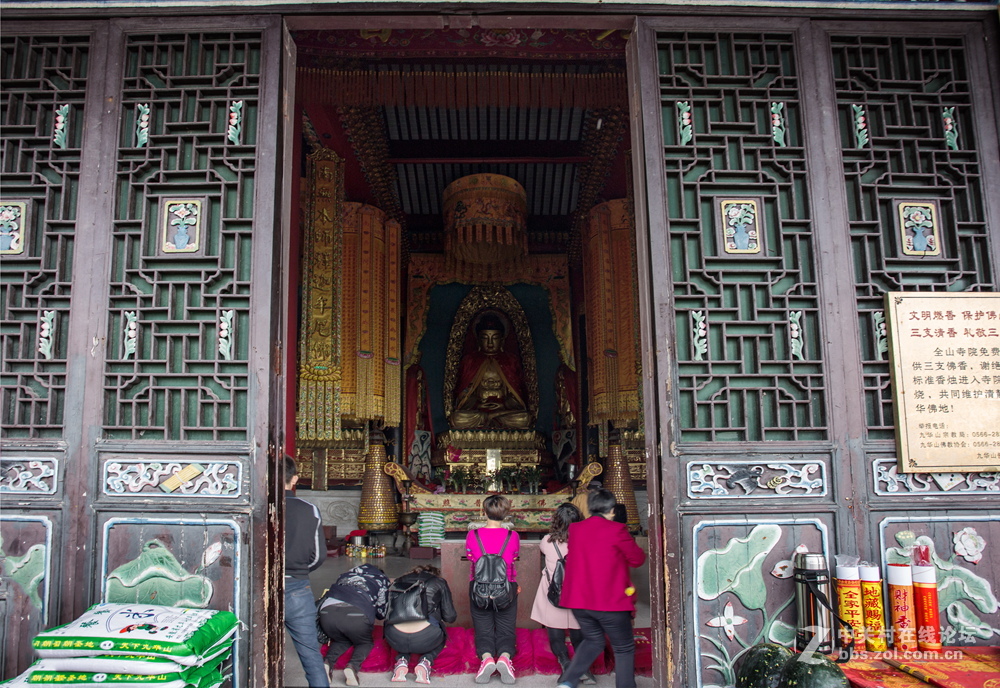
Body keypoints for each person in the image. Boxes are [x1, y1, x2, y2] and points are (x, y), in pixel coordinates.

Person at [557, 488, 646, 688]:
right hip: (610, 601)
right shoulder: (616, 530)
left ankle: (568, 681)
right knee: (623, 648)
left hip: (580, 601)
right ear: (612, 509)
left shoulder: (576, 529)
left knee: (593, 640)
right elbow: (637, 559)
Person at [529, 503, 595, 685]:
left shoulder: (547, 541)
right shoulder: (588, 540)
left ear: (556, 521)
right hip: (579, 593)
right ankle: (583, 668)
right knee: (578, 632)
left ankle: (565, 663)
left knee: (555, 632)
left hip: (554, 592)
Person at [283, 455, 330, 688]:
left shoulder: (257, 507)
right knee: (311, 655)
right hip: (296, 588)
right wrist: (299, 570)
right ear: (295, 479)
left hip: (258, 588)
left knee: (249, 647)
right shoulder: (309, 510)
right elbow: (319, 556)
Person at [467, 493, 521, 684]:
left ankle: (487, 658)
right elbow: (513, 560)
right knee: (506, 626)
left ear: (484, 511)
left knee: (483, 628)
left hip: (478, 586)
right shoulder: (512, 535)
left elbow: (472, 558)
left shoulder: (472, 534)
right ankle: (505, 658)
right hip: (506, 586)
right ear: (506, 513)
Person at [450, 313, 533, 430]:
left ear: (502, 340)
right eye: (485, 338)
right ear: (478, 340)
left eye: (494, 338)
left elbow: (515, 393)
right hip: (478, 410)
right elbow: (466, 391)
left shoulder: (510, 361)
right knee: (457, 418)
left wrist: (503, 405)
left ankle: (492, 418)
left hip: (503, 410)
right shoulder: (470, 361)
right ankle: (490, 418)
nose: (490, 343)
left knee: (524, 418)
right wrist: (477, 403)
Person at [318, 562, 390, 686]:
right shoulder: (382, 580)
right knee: (364, 642)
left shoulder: (345, 575)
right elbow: (381, 613)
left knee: (341, 640)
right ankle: (352, 667)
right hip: (356, 614)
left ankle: (327, 663)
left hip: (326, 613)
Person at [385, 565, 457, 684]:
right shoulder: (439, 582)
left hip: (394, 637)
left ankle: (402, 661)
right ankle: (426, 661)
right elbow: (450, 617)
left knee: (403, 626)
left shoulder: (398, 581)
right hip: (426, 637)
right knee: (443, 634)